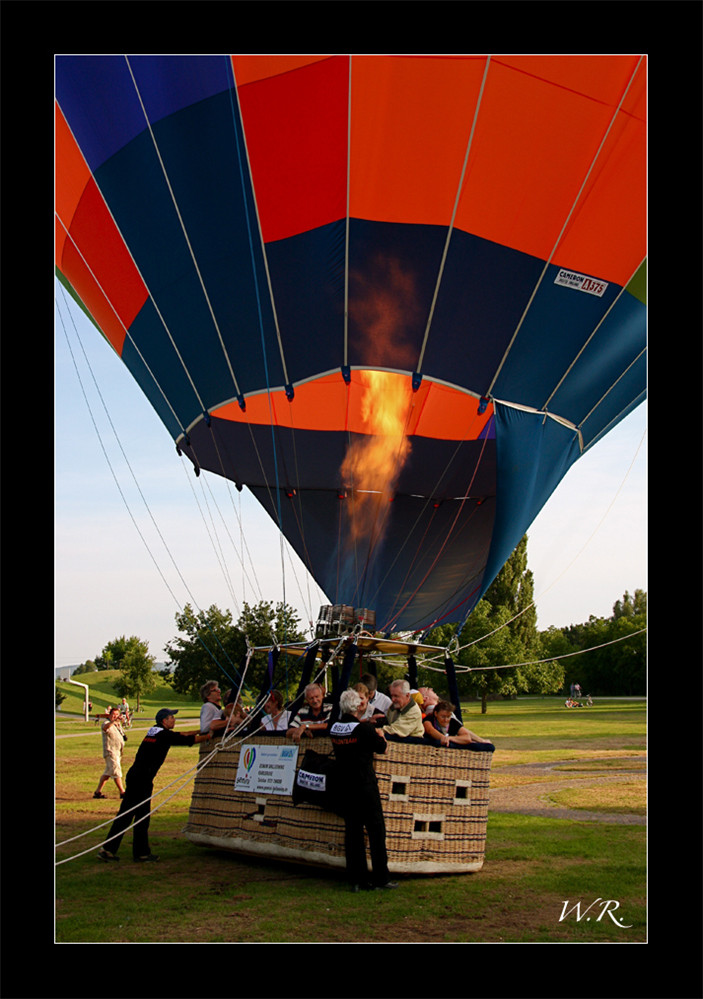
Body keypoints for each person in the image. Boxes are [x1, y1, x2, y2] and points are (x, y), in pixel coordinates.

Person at [98, 709, 211, 863]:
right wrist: (209, 736)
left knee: (126, 813)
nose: (174, 720)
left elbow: (182, 734)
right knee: (141, 816)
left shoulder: (154, 731)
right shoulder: (164, 735)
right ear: (165, 721)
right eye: (172, 717)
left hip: (135, 776)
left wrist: (201, 730)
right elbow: (186, 740)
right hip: (142, 779)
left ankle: (110, 849)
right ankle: (139, 853)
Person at [329, 688, 398, 893]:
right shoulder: (363, 730)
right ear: (359, 706)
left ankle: (357, 878)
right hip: (364, 783)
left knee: (353, 831)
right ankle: (381, 877)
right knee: (376, 830)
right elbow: (382, 748)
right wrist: (379, 734)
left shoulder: (334, 728)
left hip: (344, 782)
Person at [423, 700, 490, 747]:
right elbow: (430, 730)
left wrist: (450, 738)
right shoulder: (429, 719)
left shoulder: (452, 722)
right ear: (436, 713)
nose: (446, 720)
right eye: (443, 717)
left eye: (448, 717)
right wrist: (443, 738)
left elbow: (467, 738)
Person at [93, 707, 126, 798]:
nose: (115, 716)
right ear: (110, 715)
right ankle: (122, 792)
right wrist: (113, 721)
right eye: (113, 715)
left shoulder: (117, 725)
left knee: (107, 773)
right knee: (116, 771)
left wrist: (122, 721)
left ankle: (97, 792)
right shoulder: (107, 723)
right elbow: (105, 728)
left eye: (117, 715)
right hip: (110, 751)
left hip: (117, 752)